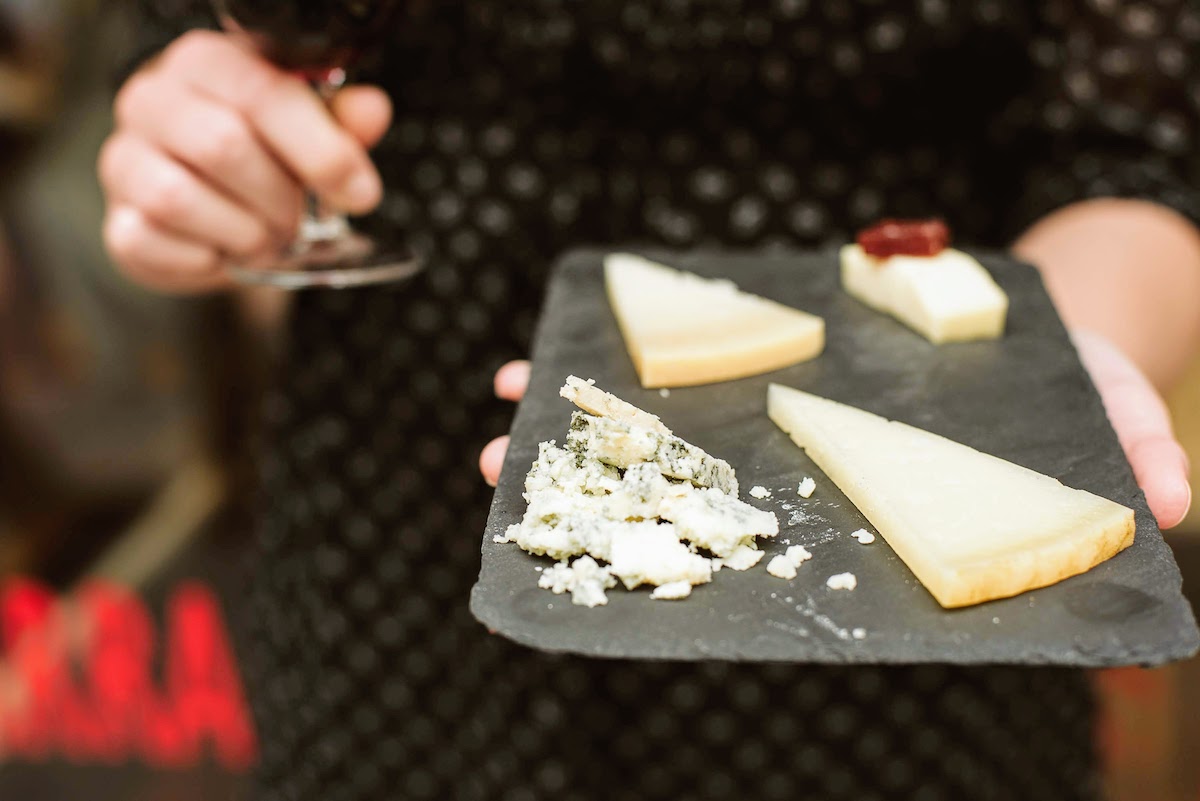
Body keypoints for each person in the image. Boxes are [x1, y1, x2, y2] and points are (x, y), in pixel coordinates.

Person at [100, 3, 1198, 799]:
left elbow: (1132, 158)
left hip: (881, 604)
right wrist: (214, 176)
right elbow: (184, 47)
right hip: (392, 535)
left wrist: (1065, 359)